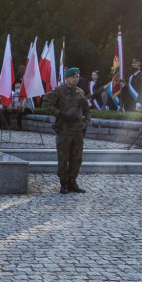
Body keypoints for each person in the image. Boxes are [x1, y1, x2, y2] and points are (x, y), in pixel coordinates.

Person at [43, 66, 91, 194]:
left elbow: (87, 110)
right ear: (67, 78)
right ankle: (63, 183)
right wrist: (60, 114)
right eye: (73, 77)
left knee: (77, 158)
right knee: (63, 157)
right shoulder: (58, 91)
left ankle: (72, 182)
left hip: (77, 131)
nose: (76, 79)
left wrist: (85, 123)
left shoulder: (80, 92)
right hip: (64, 130)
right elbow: (46, 104)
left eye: (77, 77)